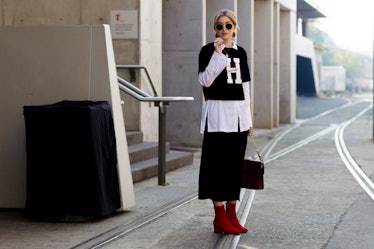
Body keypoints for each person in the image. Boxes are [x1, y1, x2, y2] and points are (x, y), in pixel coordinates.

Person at [198, 9, 253, 235]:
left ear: (235, 27)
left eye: (228, 25)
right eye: (219, 26)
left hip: (238, 118)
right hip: (217, 116)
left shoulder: (241, 52)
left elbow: (245, 87)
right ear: (215, 29)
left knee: (233, 168)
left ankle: (232, 214)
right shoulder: (207, 51)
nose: (224, 30)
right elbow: (205, 81)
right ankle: (220, 216)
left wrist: (248, 119)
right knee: (215, 168)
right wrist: (218, 56)